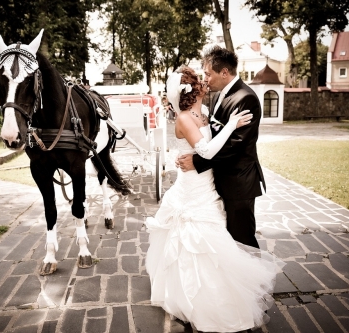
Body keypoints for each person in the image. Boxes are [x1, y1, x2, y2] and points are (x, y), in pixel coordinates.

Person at [145, 66, 283, 333]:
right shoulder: (184, 118)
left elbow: (216, 143)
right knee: (197, 239)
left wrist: (226, 130)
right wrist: (232, 124)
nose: (205, 81)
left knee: (219, 238)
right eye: (200, 79)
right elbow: (206, 150)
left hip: (207, 185)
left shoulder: (205, 113)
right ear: (193, 89)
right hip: (192, 187)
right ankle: (196, 298)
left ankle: (229, 289)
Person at [177, 45, 266, 249]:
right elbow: (212, 135)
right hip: (218, 181)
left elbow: (235, 145)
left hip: (238, 182)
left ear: (224, 72)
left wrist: (196, 161)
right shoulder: (219, 95)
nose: (205, 79)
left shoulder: (246, 98)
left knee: (242, 239)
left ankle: (252, 281)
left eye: (208, 74)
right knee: (227, 241)